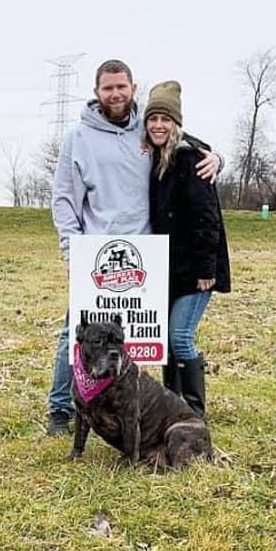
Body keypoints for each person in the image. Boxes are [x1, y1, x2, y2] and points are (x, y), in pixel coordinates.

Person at [48, 59, 220, 434]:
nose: (115, 94)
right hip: (95, 256)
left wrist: (217, 157)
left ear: (133, 88)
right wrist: (69, 250)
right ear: (97, 92)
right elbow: (63, 199)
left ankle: (155, 410)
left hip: (147, 258)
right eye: (108, 88)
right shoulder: (77, 138)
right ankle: (61, 409)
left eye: (121, 87)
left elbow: (184, 143)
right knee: (74, 334)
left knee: (147, 337)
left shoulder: (146, 129)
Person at [142, 80, 230, 420]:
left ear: (177, 123)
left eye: (165, 119)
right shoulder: (153, 158)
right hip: (168, 268)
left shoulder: (192, 159)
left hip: (196, 270)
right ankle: (171, 406)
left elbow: (207, 218)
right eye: (153, 119)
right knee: (164, 337)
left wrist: (206, 270)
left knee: (179, 337)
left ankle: (194, 414)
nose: (158, 125)